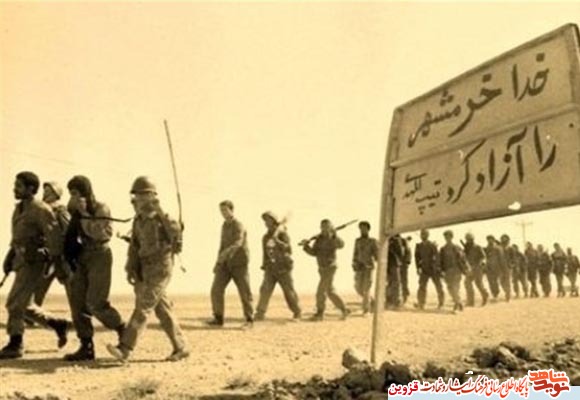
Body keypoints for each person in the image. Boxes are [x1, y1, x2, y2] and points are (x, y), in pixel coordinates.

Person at [107, 177, 188, 362]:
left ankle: (125, 348)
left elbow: (176, 232)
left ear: (153, 196)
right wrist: (130, 266)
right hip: (145, 268)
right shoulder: (138, 220)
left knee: (143, 306)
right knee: (162, 309)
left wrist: (160, 211)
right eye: (137, 195)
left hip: (161, 267)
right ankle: (181, 347)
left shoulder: (162, 218)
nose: (139, 199)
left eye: (143, 195)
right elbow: (134, 246)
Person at [0, 172, 70, 359]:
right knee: (25, 305)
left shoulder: (41, 209)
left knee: (14, 302)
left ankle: (15, 344)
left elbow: (54, 238)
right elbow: (17, 237)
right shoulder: (19, 208)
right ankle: (57, 324)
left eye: (19, 186)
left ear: (31, 189)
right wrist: (9, 256)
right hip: (20, 260)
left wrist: (57, 264)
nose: (14, 189)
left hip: (34, 262)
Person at [63, 175, 126, 361]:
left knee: (96, 302)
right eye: (71, 193)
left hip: (100, 255)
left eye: (76, 193)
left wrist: (84, 213)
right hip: (83, 255)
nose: (74, 197)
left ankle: (123, 329)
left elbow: (99, 234)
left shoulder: (101, 208)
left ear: (86, 192)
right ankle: (86, 346)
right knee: (77, 302)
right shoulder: (75, 210)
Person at [208, 200, 254, 327]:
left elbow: (238, 243)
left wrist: (224, 254)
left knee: (245, 292)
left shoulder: (238, 225)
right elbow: (222, 245)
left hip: (239, 264)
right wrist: (218, 263)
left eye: (225, 210)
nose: (223, 213)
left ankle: (249, 320)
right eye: (221, 210)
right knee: (216, 290)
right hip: (225, 265)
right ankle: (218, 318)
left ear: (231, 210)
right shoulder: (224, 226)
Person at [254, 211, 302, 321]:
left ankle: (297, 312)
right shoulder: (266, 237)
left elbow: (288, 249)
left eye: (268, 220)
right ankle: (260, 313)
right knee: (265, 290)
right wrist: (264, 264)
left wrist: (277, 241)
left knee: (289, 291)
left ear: (273, 221)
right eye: (265, 220)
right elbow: (265, 252)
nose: (266, 222)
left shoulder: (282, 234)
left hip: (283, 267)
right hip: (270, 267)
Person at [301, 219, 350, 321]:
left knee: (320, 291)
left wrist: (334, 235)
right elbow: (314, 252)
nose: (324, 229)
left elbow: (341, 245)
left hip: (330, 267)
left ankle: (320, 313)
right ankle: (344, 310)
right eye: (323, 227)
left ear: (331, 228)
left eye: (327, 227)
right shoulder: (318, 239)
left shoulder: (333, 238)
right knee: (330, 291)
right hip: (322, 268)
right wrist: (306, 246)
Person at [352, 221, 378, 315]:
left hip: (368, 267)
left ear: (368, 229)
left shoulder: (373, 241)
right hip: (359, 267)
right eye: (361, 228)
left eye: (364, 228)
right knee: (358, 287)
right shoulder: (357, 241)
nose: (362, 230)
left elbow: (377, 254)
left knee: (366, 288)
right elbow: (355, 253)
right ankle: (373, 302)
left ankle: (366, 310)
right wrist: (354, 263)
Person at [414, 229, 444, 310]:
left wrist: (437, 268)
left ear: (428, 235)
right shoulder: (418, 246)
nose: (423, 236)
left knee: (438, 286)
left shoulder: (432, 245)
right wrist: (418, 268)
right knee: (422, 286)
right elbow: (417, 258)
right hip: (424, 269)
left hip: (433, 269)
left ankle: (441, 303)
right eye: (422, 234)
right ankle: (421, 303)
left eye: (425, 234)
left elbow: (437, 257)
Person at [439, 230, 469, 312]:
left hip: (456, 270)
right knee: (450, 288)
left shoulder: (456, 247)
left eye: (448, 236)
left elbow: (463, 259)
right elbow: (440, 261)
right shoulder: (443, 249)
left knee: (456, 287)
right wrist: (441, 271)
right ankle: (459, 302)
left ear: (451, 237)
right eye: (446, 237)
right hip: (447, 271)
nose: (447, 238)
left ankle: (457, 304)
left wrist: (465, 269)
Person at [462, 233, 489, 307]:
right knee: (467, 283)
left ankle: (485, 295)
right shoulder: (466, 248)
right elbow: (464, 258)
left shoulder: (477, 247)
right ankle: (470, 301)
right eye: (467, 239)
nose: (468, 241)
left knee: (479, 284)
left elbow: (483, 257)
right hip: (470, 268)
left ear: (473, 239)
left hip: (477, 267)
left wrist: (482, 263)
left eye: (470, 239)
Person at [386, 234, 406, 309]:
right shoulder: (388, 239)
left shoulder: (396, 240)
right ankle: (390, 301)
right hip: (388, 264)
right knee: (390, 283)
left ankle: (395, 302)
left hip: (394, 263)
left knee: (395, 283)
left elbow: (401, 253)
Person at [484, 235, 506, 302]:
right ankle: (494, 295)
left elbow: (501, 258)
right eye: (488, 239)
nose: (489, 241)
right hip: (489, 267)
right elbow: (485, 257)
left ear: (493, 240)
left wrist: (503, 268)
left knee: (495, 281)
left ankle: (497, 294)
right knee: (491, 282)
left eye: (490, 239)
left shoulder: (498, 248)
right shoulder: (486, 248)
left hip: (497, 267)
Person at [499, 234, 514, 302]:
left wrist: (511, 265)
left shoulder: (510, 248)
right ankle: (507, 292)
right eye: (502, 239)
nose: (503, 240)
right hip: (500, 267)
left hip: (508, 267)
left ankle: (508, 296)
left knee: (507, 281)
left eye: (505, 239)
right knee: (501, 281)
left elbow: (513, 258)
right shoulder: (499, 248)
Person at [399, 237, 412, 305]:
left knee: (404, 282)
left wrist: (406, 263)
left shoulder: (404, 242)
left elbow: (408, 253)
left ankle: (405, 297)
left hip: (403, 266)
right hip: (396, 266)